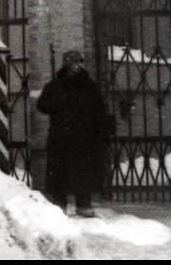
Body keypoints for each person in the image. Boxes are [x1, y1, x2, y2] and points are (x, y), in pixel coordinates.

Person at [37, 50, 107, 217]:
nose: (78, 66)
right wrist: (55, 102)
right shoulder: (54, 86)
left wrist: (98, 131)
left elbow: (99, 109)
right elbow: (42, 106)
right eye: (74, 63)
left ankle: (83, 204)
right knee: (60, 171)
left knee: (83, 170)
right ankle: (60, 203)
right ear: (67, 64)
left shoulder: (89, 86)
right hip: (61, 135)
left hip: (83, 136)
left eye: (80, 62)